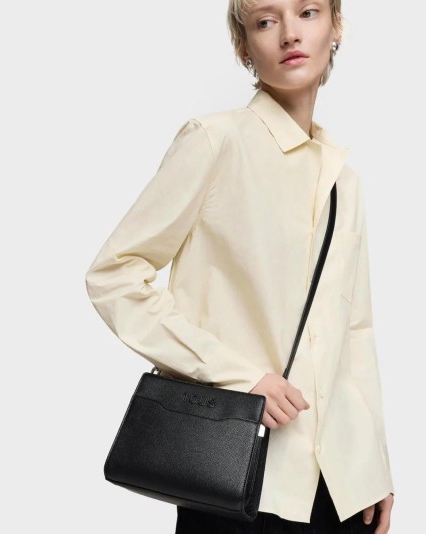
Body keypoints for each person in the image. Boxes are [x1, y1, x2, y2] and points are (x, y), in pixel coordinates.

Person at [84, 0, 395, 532]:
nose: (290, 34)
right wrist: (238, 376)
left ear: (336, 27)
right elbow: (114, 275)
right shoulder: (215, 142)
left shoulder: (346, 183)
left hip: (342, 489)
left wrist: (373, 464)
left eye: (308, 12)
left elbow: (355, 334)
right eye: (266, 21)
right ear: (243, 46)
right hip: (237, 477)